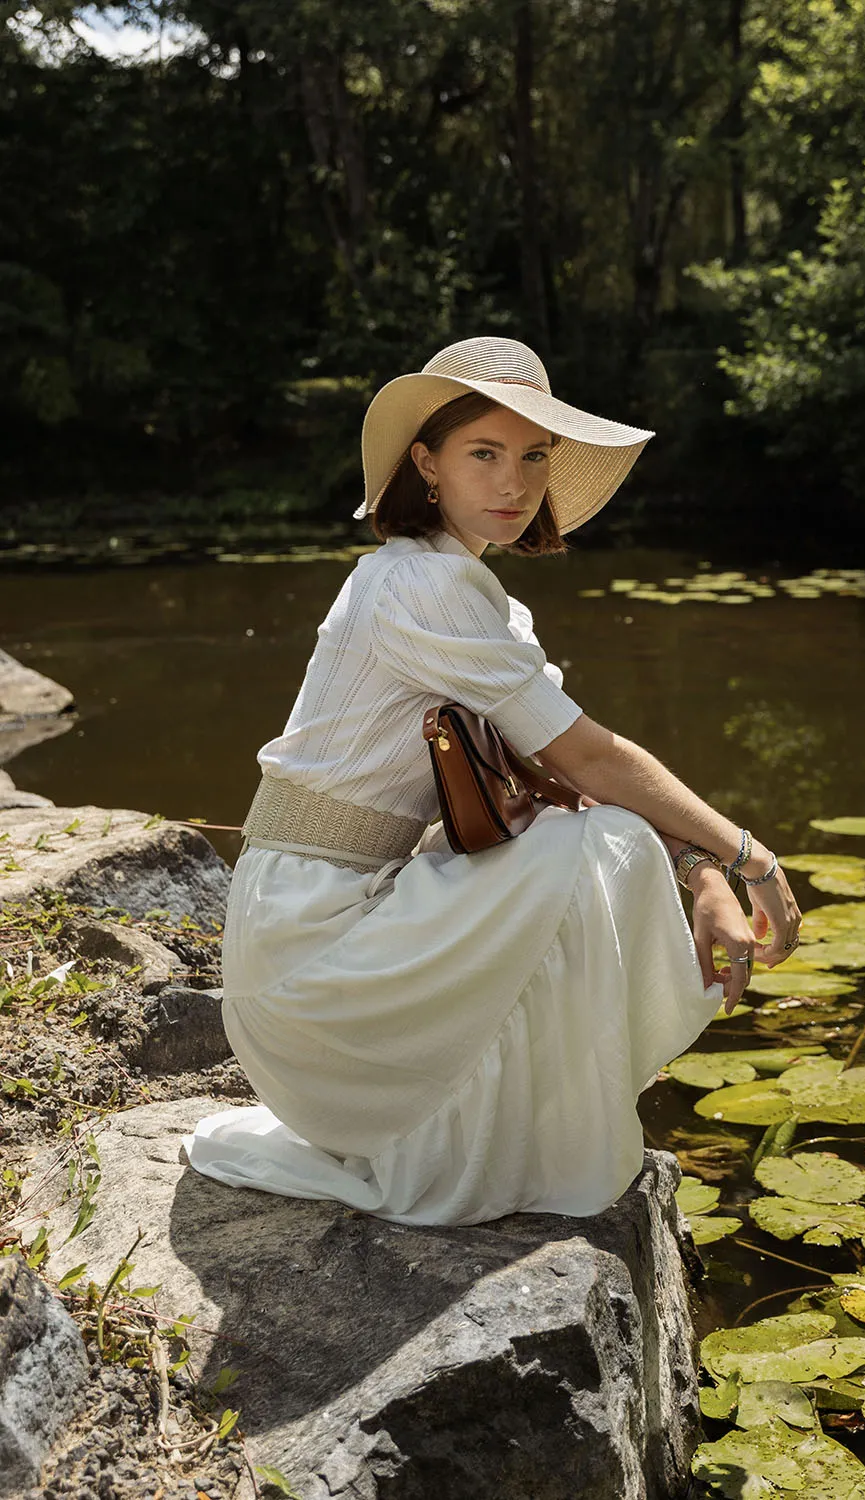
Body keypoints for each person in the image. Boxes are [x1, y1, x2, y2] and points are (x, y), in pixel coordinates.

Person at [185, 336, 802, 1225]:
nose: (512, 482)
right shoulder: (414, 586)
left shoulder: (477, 598)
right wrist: (748, 857)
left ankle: (523, 1120)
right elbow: (590, 758)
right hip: (305, 948)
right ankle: (491, 1127)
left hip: (352, 912)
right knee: (592, 846)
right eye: (484, 453)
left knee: (592, 839)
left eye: (533, 456)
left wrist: (698, 870)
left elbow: (561, 775)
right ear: (427, 463)